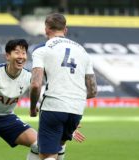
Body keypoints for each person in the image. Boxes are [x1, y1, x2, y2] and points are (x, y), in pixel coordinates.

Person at [0, 39, 85, 160]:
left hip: (7, 117)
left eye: (24, 53)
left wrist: (67, 126)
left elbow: (42, 101)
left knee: (39, 145)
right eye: (17, 52)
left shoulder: (28, 77)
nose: (21, 56)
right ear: (7, 56)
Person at [30, 13, 97, 160]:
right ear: (65, 30)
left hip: (53, 106)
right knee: (58, 148)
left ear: (46, 29)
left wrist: (32, 108)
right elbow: (92, 90)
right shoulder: (83, 52)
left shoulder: (41, 49)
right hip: (76, 109)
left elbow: (35, 84)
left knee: (46, 155)